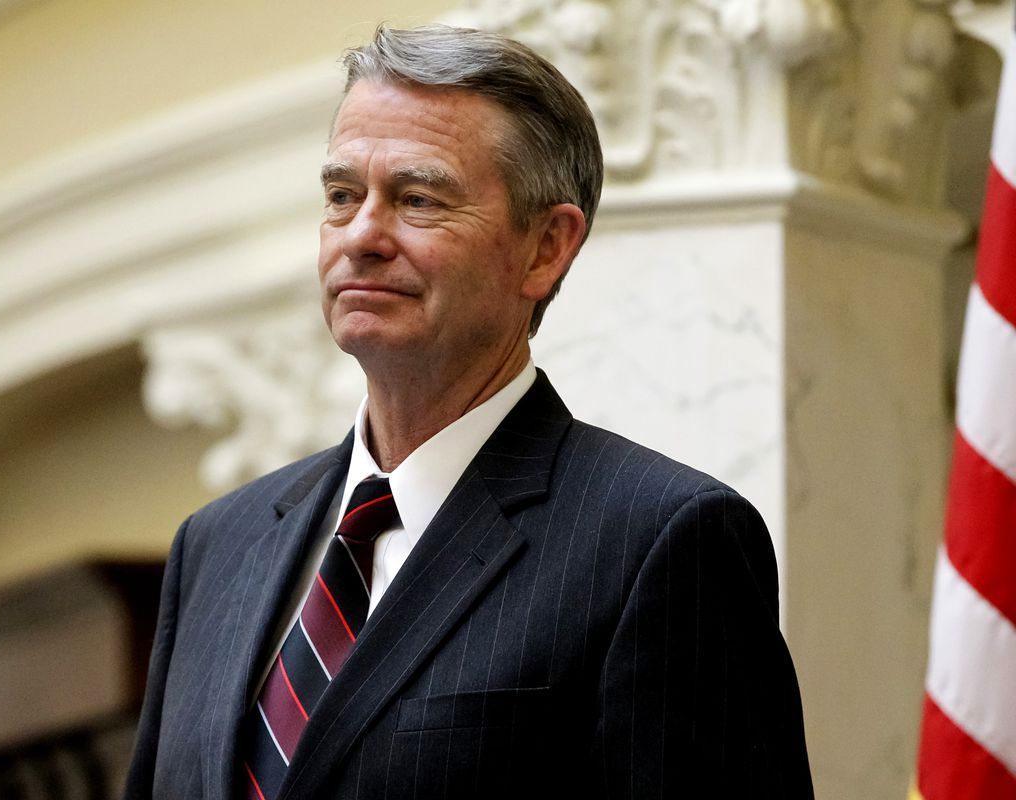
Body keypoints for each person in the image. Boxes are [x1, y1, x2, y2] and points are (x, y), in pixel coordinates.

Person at [124, 25, 813, 800]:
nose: (362, 237)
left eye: (418, 199)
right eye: (342, 196)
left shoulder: (659, 541)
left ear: (546, 249)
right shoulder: (217, 545)